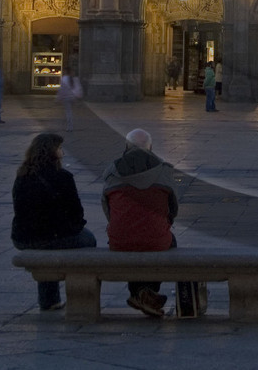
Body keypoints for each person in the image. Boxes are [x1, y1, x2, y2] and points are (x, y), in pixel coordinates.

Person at [12, 132, 97, 311]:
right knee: (88, 240)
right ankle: (82, 293)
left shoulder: (22, 175)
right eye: (59, 148)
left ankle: (49, 299)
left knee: (48, 241)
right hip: (52, 236)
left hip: (23, 237)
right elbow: (77, 214)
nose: (62, 152)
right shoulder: (63, 177)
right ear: (52, 152)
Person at [101, 129, 179, 318]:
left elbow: (107, 208)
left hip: (120, 240)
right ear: (150, 148)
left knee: (132, 237)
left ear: (126, 147)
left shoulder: (112, 170)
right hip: (156, 240)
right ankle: (147, 291)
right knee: (163, 242)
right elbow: (173, 209)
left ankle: (140, 293)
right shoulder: (163, 171)